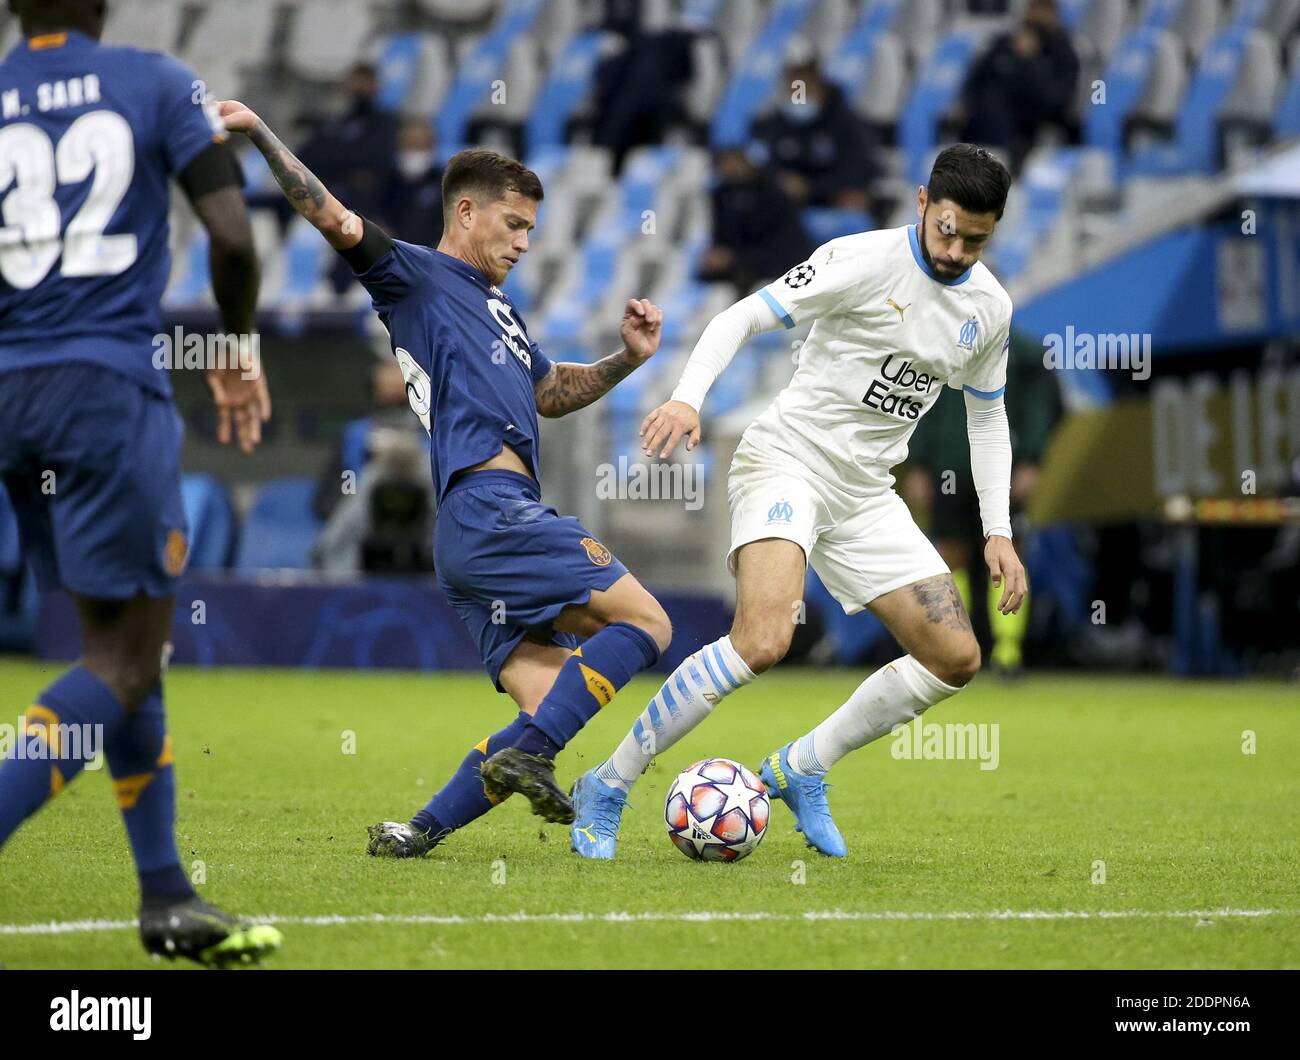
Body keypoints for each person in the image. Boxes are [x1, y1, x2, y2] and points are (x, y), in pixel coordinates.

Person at [220, 101, 673, 856]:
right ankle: (536, 758)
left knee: (545, 700)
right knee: (650, 623)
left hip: (472, 532)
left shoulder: (498, 312)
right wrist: (263, 131)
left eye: (530, 229)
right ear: (466, 212)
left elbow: (549, 393)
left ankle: (419, 830)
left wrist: (625, 359)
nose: (525, 243)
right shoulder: (417, 279)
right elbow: (329, 215)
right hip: (495, 511)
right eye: (514, 225)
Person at [570, 144, 1028, 859]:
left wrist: (996, 530)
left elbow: (987, 415)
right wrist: (689, 398)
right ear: (921, 203)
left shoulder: (989, 309)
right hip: (788, 460)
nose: (957, 249)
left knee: (955, 656)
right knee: (764, 638)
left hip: (864, 493)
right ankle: (607, 783)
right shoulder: (860, 260)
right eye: (947, 229)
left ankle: (801, 766)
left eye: (977, 238)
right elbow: (740, 318)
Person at [0, 0, 279, 964]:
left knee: (123, 645)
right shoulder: (156, 82)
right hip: (104, 390)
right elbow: (236, 241)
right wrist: (237, 344)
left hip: (10, 394)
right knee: (123, 662)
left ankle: (166, 899)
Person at [749, 56, 880, 214]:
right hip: (786, 203)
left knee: (855, 200)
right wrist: (780, 181)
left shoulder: (846, 123)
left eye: (805, 89)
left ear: (820, 88)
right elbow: (760, 162)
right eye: (794, 90)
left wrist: (812, 186)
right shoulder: (775, 124)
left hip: (831, 198)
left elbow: (862, 168)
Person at [959, 0, 1079, 171]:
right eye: (1033, 8)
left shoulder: (1063, 54)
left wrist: (1027, 62)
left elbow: (1056, 99)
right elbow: (976, 81)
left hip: (1030, 122)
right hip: (985, 119)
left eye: (1043, 10)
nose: (1036, 16)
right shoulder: (1004, 44)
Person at [698, 147, 814, 295]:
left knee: (761, 293)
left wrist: (734, 259)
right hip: (734, 275)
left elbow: (785, 248)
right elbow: (720, 242)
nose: (730, 169)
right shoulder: (721, 195)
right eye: (723, 165)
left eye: (734, 162)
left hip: (777, 271)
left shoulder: (773, 194)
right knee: (717, 294)